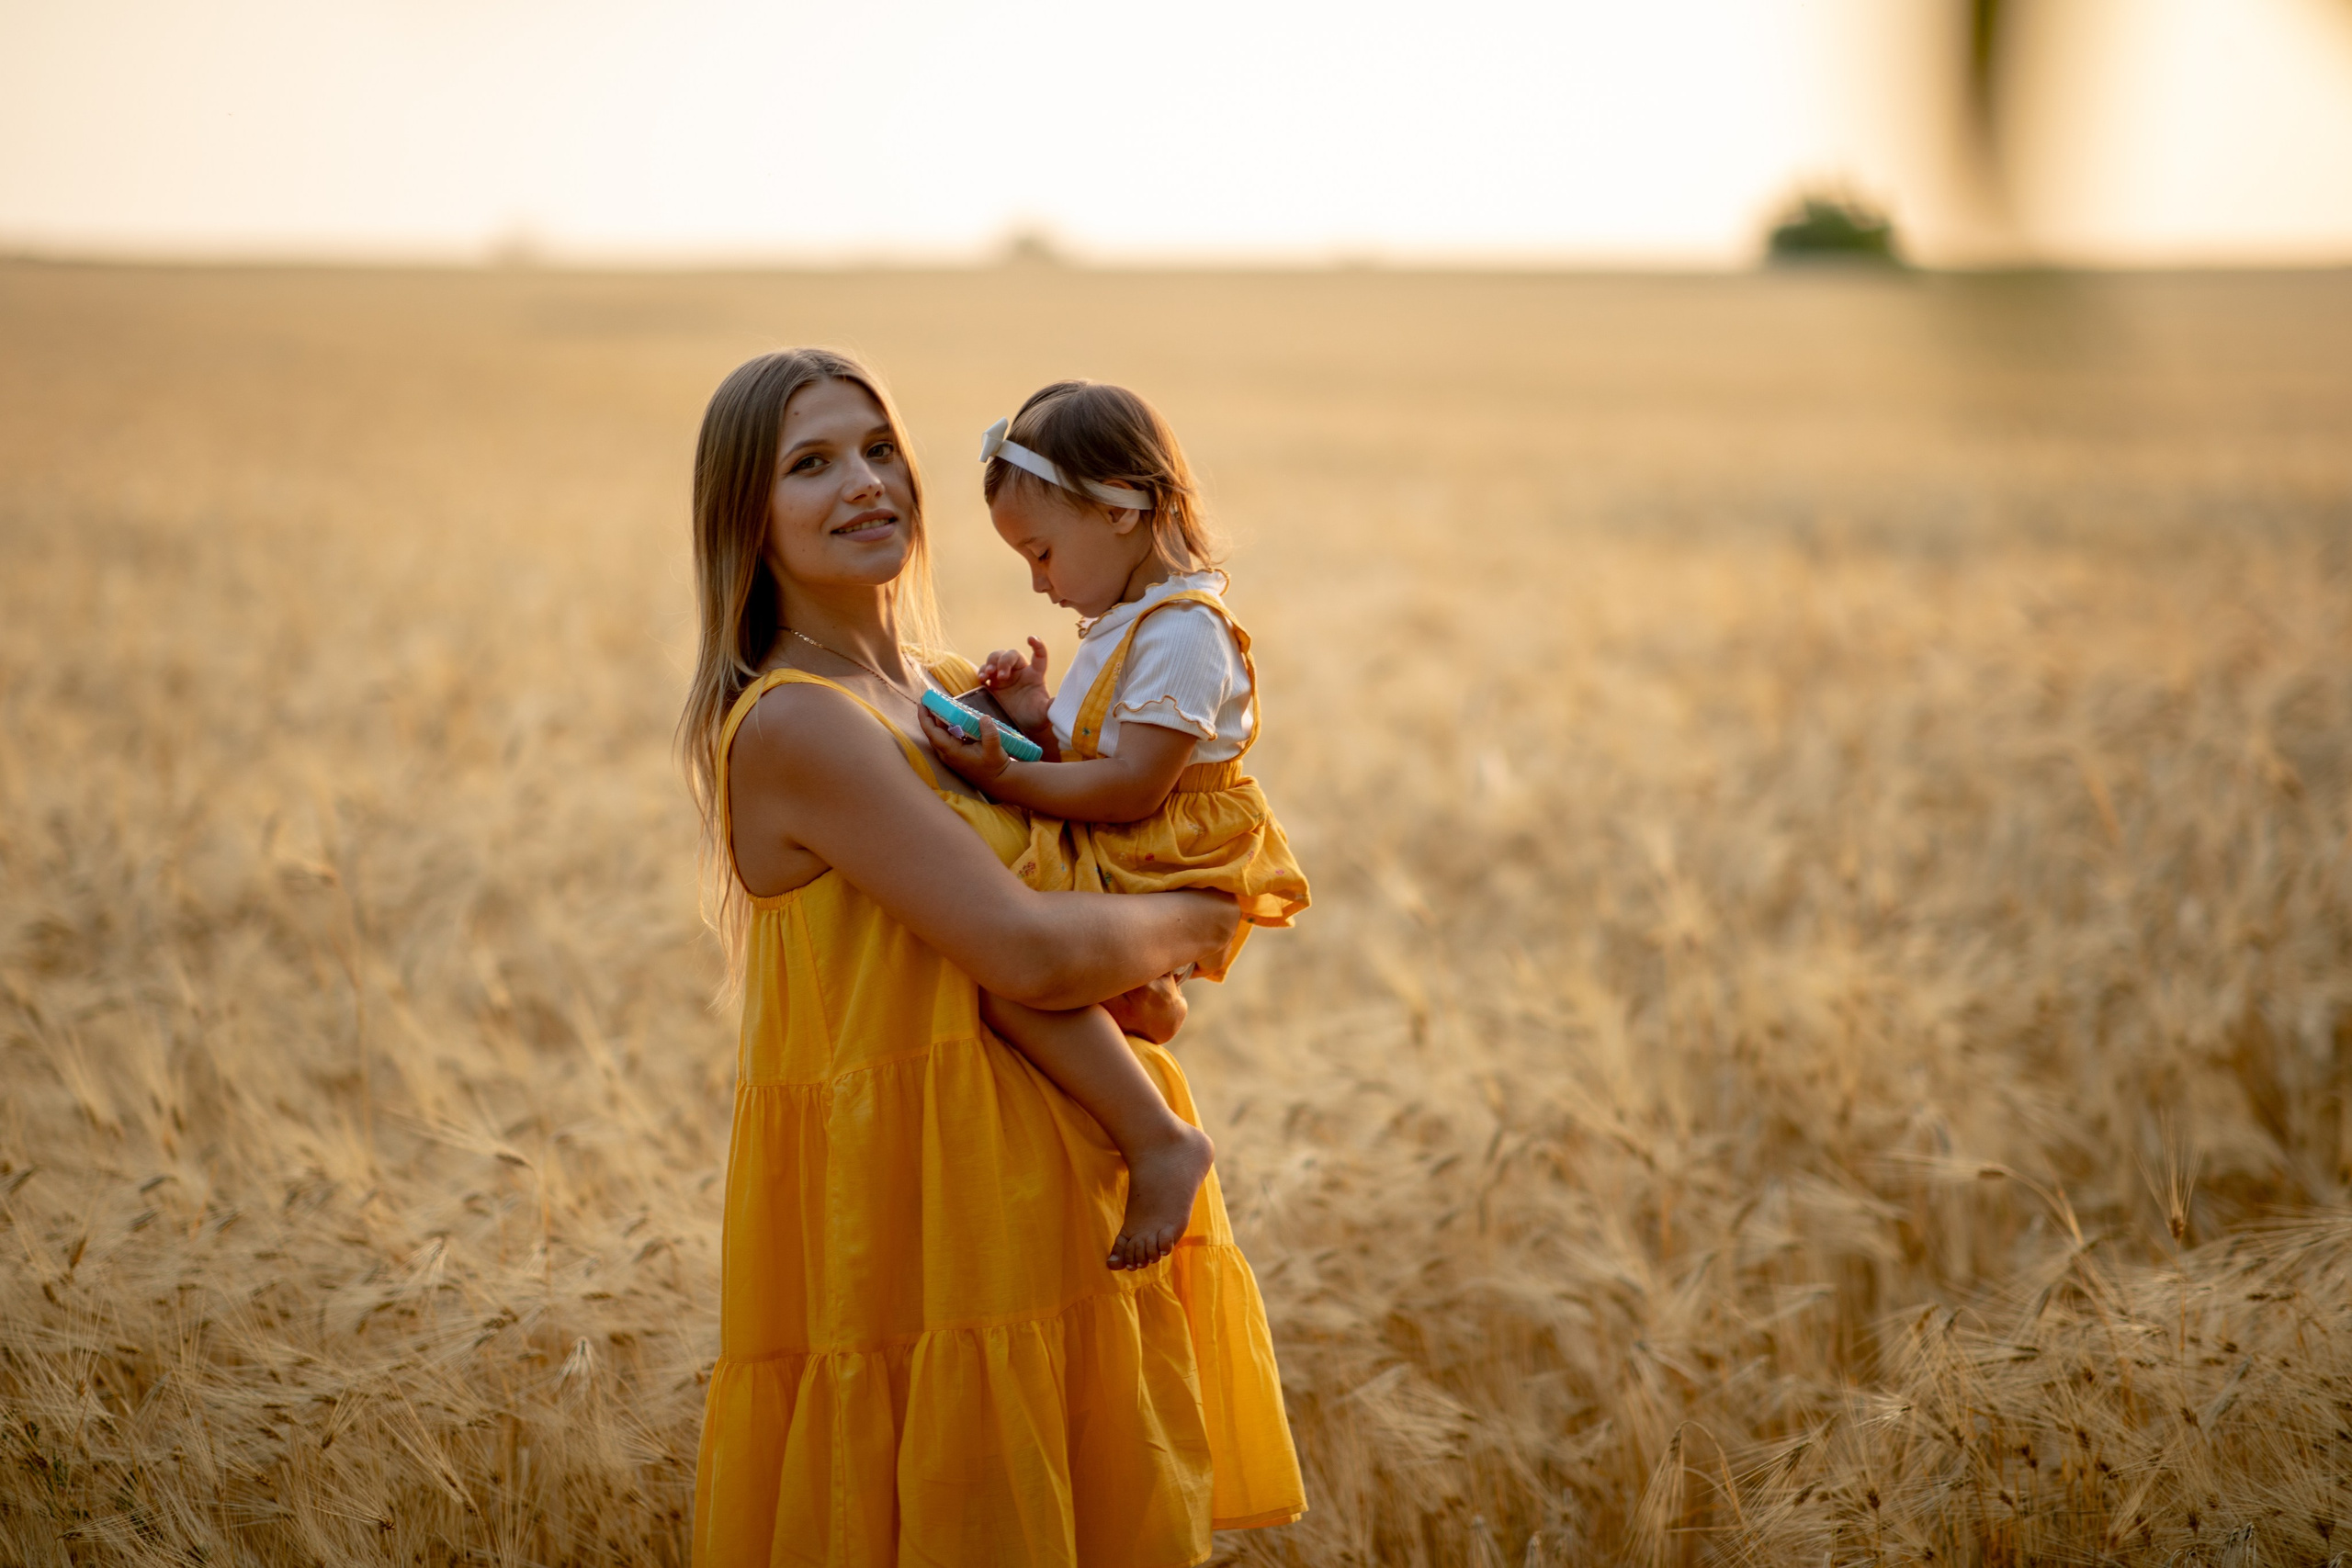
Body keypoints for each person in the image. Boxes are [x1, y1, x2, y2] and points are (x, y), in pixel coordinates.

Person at [679, 348, 1305, 1566]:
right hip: (931, 1224)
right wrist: (1202, 917)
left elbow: (1130, 985)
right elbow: (1026, 945)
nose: (864, 483)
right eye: (811, 463)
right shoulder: (806, 721)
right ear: (745, 521)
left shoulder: (947, 691)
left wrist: (1134, 945)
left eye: (877, 449)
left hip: (1069, 1204)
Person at [917, 381, 1311, 1275]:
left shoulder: (1182, 634)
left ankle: (1160, 1138)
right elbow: (1096, 751)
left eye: (1043, 551)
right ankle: (1141, 1002)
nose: (1038, 581)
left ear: (1121, 510)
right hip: (1130, 830)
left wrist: (1011, 775)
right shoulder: (1129, 618)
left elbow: (1132, 788)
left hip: (1165, 847)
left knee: (1006, 956)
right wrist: (1033, 713)